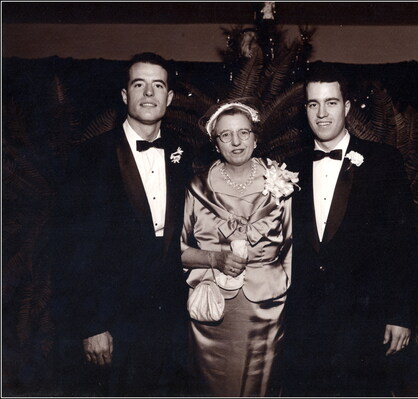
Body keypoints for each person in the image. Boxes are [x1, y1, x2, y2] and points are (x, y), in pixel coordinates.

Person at [51, 52, 192, 396]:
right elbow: (70, 248)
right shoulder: (88, 157)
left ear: (169, 98)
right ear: (125, 95)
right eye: (138, 84)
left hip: (170, 320)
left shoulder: (184, 153)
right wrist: (91, 325)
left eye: (157, 85)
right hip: (113, 320)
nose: (148, 93)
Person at [283, 61, 418, 396]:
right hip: (304, 323)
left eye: (331, 103)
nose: (322, 113)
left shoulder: (383, 161)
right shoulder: (288, 169)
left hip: (364, 321)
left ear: (346, 107)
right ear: (305, 110)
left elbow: (402, 242)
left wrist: (401, 314)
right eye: (313, 104)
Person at [180, 99, 297, 396]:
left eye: (243, 133)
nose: (236, 141)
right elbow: (176, 249)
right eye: (226, 135)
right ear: (215, 144)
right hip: (213, 307)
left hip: (267, 306)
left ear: (255, 138)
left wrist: (283, 285)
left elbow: (292, 245)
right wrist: (213, 258)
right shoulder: (197, 187)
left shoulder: (280, 182)